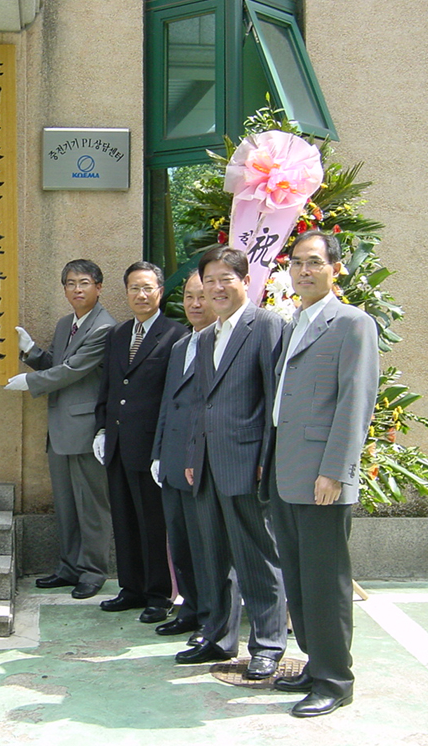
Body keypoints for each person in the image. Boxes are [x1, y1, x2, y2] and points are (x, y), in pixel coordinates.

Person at [265, 231, 378, 717]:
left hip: (321, 478)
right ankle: (315, 663)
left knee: (326, 580)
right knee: (299, 576)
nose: (303, 272)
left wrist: (335, 472)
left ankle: (335, 680)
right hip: (286, 473)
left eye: (314, 263)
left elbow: (355, 405)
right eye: (296, 264)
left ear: (336, 268)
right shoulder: (295, 323)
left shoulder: (352, 323)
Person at [178, 246, 287, 680]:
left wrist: (266, 460)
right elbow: (200, 404)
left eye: (226, 278)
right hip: (205, 463)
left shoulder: (267, 326)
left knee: (257, 557)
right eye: (210, 280)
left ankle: (268, 644)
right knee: (213, 556)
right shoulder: (205, 337)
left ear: (245, 280)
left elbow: (274, 399)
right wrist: (191, 454)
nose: (216, 288)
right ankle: (219, 637)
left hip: (247, 463)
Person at [5, 259, 116, 599]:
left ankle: (93, 571)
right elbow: (56, 362)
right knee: (66, 506)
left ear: (98, 287)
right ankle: (68, 567)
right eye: (70, 283)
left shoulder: (104, 327)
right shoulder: (65, 323)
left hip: (85, 431)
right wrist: (31, 351)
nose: (77, 289)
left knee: (92, 506)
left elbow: (72, 370)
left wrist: (30, 381)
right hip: (59, 431)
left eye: (84, 283)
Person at [94, 261, 187, 622]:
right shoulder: (117, 335)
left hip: (150, 448)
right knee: (124, 519)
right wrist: (101, 428)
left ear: (160, 292)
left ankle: (158, 594)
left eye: (148, 288)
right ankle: (130, 588)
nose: (141, 294)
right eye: (134, 288)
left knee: (152, 523)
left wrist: (164, 447)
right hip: (117, 443)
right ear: (126, 292)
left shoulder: (176, 335)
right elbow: (109, 386)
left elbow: (172, 397)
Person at [151, 271, 238, 642]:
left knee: (208, 548)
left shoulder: (222, 346)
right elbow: (168, 405)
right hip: (171, 462)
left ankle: (212, 618)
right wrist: (157, 453)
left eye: (202, 296)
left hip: (201, 464)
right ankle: (189, 608)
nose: (195, 304)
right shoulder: (179, 346)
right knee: (181, 544)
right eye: (188, 297)